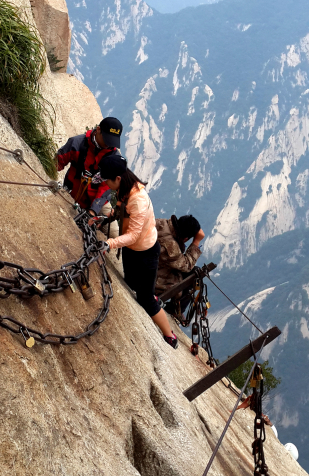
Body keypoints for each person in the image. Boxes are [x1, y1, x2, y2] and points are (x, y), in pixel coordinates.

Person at [99, 154, 179, 349]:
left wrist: (110, 244)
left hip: (145, 253)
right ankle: (150, 291)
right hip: (132, 250)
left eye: (108, 180)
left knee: (145, 298)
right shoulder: (126, 189)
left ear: (117, 178)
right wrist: (106, 218)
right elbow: (123, 213)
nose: (107, 185)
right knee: (131, 283)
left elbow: (134, 235)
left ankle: (170, 335)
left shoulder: (138, 200)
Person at [56, 117, 123, 218]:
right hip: (71, 194)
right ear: (98, 130)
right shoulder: (76, 143)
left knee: (114, 234)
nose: (108, 144)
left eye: (112, 141)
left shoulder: (114, 158)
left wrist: (93, 211)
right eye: (107, 139)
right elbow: (57, 162)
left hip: (100, 203)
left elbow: (106, 187)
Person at [154, 214, 205, 313]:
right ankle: (175, 310)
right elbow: (187, 266)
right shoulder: (171, 245)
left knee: (194, 271)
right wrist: (196, 241)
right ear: (186, 238)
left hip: (137, 265)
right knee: (194, 275)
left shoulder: (161, 222)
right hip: (146, 279)